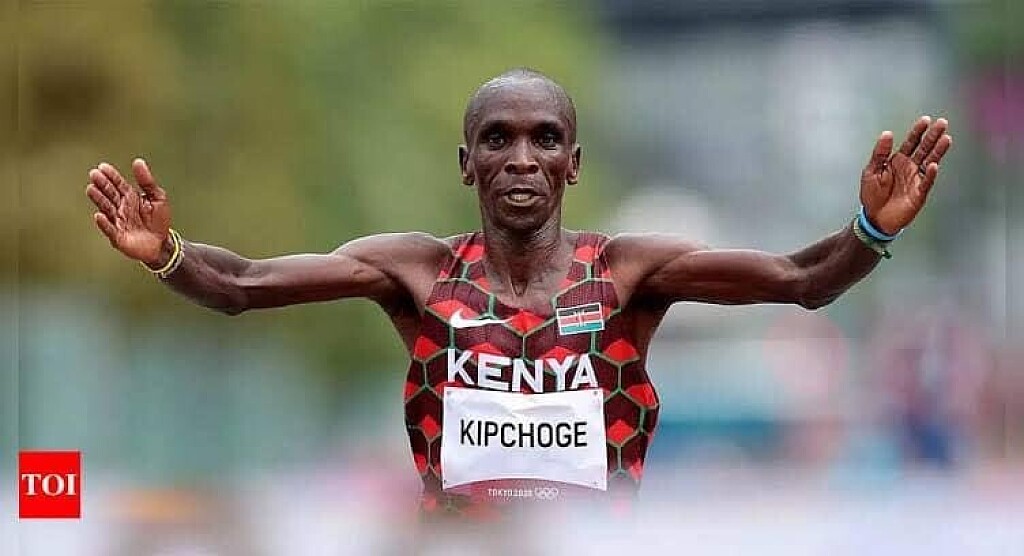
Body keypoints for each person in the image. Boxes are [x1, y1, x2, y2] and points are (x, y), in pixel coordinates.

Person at [85, 68, 953, 520]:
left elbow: (803, 281)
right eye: (498, 139)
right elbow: (242, 286)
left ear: (574, 162)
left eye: (545, 139)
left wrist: (870, 229)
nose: (523, 159)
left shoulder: (628, 274)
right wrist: (166, 252)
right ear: (468, 163)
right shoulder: (418, 272)